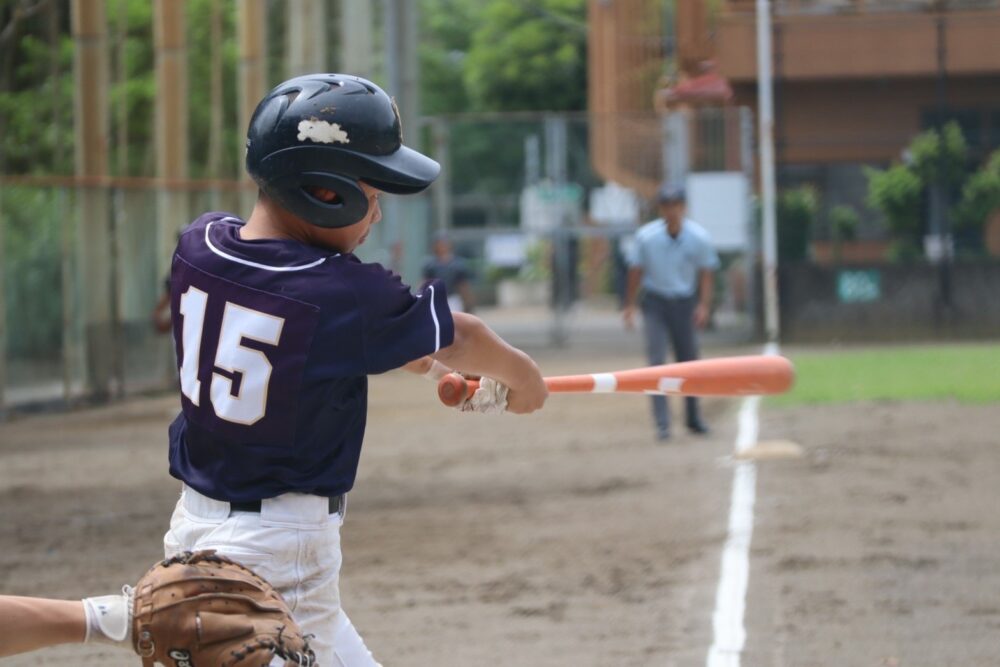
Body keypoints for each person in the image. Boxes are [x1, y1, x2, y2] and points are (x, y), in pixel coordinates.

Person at [160, 73, 548, 667]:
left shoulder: (200, 244)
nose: (378, 213)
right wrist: (524, 382)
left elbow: (342, 342)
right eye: (372, 192)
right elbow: (463, 334)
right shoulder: (343, 293)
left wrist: (425, 359)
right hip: (278, 552)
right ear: (324, 192)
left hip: (198, 525)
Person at [622, 183, 719, 442]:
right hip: (655, 302)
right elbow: (636, 272)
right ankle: (663, 424)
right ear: (660, 209)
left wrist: (703, 305)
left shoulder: (698, 237)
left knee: (688, 361)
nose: (671, 211)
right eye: (666, 205)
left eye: (676, 205)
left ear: (683, 208)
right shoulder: (647, 237)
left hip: (684, 303)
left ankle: (693, 417)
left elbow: (706, 272)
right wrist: (630, 305)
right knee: (656, 361)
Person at [423, 231, 476, 313]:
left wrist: (468, 302)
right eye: (439, 244)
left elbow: (463, 286)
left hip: (453, 299)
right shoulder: (430, 265)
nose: (442, 247)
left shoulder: (458, 265)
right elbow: (425, 284)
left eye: (444, 244)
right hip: (436, 299)